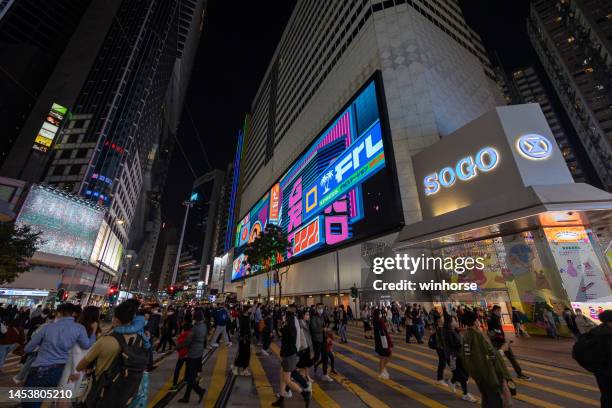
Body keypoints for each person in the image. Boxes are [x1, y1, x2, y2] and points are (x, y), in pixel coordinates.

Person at [22, 303, 97, 408]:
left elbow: (28, 348)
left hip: (40, 368)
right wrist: (93, 332)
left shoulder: (47, 327)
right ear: (73, 313)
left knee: (30, 401)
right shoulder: (79, 328)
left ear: (59, 313)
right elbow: (87, 345)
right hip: (58, 370)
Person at [77, 300, 148, 408]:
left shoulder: (105, 341)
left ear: (115, 319)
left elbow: (80, 366)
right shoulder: (140, 339)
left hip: (100, 392)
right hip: (124, 393)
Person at [461, 310, 512, 408]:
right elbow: (487, 357)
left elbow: (468, 358)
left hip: (480, 376)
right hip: (488, 376)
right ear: (475, 321)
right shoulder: (476, 336)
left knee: (487, 398)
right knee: (494, 401)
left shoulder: (467, 336)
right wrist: (502, 350)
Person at [57, 306, 101, 407]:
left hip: (79, 367)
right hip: (75, 367)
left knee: (66, 394)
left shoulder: (88, 330)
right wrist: (76, 370)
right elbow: (77, 351)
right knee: (65, 395)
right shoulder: (82, 329)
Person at [272, 305, 311, 407]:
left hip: (289, 354)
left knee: (287, 379)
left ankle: (305, 393)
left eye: (287, 311)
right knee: (282, 376)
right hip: (290, 353)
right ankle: (281, 398)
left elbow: (286, 337)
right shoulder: (293, 321)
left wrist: (281, 327)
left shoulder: (290, 322)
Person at [487, 305, 530, 381]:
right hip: (501, 343)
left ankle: (494, 375)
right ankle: (519, 374)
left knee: (497, 359)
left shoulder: (491, 318)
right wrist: (505, 341)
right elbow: (496, 331)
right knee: (511, 358)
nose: (500, 313)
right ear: (496, 310)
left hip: (496, 342)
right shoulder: (494, 319)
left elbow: (491, 332)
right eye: (499, 311)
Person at [443, 314, 477, 403]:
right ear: (450, 323)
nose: (456, 322)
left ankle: (451, 381)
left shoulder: (454, 331)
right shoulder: (448, 332)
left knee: (464, 374)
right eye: (454, 320)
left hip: (459, 356)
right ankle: (465, 394)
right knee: (462, 376)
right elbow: (456, 344)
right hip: (453, 357)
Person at [178, 310, 207, 403]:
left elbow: (188, 341)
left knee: (189, 378)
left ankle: (200, 391)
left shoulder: (195, 328)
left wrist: (179, 346)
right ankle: (186, 397)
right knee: (191, 376)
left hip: (192, 354)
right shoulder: (204, 326)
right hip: (199, 352)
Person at [588, 310, 612, 407]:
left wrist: (595, 368)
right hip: (608, 372)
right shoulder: (607, 335)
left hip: (601, 373)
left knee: (606, 395)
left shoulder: (594, 332)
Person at [373, 308, 392, 379]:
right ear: (379, 314)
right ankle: (381, 371)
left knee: (383, 357)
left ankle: (382, 370)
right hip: (383, 341)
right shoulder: (379, 320)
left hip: (379, 341)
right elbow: (383, 331)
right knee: (386, 356)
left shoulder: (375, 320)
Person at [172, 321, 192, 390]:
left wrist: (178, 350)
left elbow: (179, 345)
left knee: (177, 369)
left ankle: (174, 384)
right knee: (188, 367)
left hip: (182, 355)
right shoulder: (192, 335)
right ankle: (186, 380)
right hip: (189, 355)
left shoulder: (181, 335)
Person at [232, 305, 252, 376]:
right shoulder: (243, 318)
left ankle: (244, 369)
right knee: (242, 354)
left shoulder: (247, 317)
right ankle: (235, 367)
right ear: (247, 310)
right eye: (250, 309)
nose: (251, 310)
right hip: (244, 339)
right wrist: (244, 338)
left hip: (247, 339)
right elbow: (241, 330)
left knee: (247, 354)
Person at [310, 304, 326, 377]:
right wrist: (322, 329)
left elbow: (324, 326)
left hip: (323, 339)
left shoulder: (322, 317)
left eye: (321, 308)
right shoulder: (314, 317)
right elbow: (313, 329)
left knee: (325, 357)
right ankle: (306, 366)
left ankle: (325, 374)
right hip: (317, 339)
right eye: (319, 308)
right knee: (316, 356)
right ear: (316, 309)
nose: (321, 309)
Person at [432, 315, 447, 385]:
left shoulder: (439, 328)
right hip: (441, 348)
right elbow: (442, 340)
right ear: (438, 321)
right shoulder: (439, 329)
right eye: (441, 319)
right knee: (442, 363)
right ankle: (440, 379)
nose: (443, 320)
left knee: (443, 363)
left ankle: (456, 379)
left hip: (441, 348)